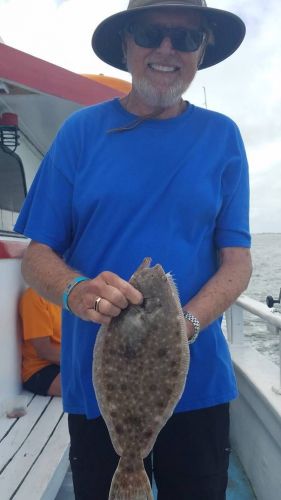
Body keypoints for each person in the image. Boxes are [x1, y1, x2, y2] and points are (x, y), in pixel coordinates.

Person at [14, 0, 252, 498]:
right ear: (126, 43)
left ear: (201, 50)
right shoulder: (80, 133)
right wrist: (77, 291)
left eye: (186, 38)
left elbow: (237, 261)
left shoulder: (222, 138)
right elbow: (37, 255)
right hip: (100, 388)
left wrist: (184, 325)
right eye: (151, 32)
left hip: (199, 383)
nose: (167, 49)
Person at [19, 287, 61, 396]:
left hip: (64, 363)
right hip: (41, 370)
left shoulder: (68, 297)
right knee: (89, 388)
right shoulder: (34, 297)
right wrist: (80, 363)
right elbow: (44, 351)